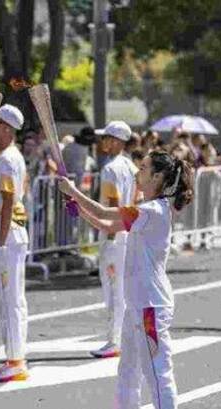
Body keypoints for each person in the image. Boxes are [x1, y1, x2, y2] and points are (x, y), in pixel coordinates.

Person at [58, 149, 194, 409]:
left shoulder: (154, 210)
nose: (137, 172)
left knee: (158, 372)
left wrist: (75, 191)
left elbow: (109, 216)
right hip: (137, 303)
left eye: (143, 168)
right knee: (128, 371)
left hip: (151, 306)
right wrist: (76, 204)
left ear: (158, 177)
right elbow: (109, 225)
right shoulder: (146, 211)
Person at [0, 104, 30, 382]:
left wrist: (0, 242)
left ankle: (15, 360)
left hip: (7, 233)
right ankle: (15, 357)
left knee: (9, 299)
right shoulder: (5, 157)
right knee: (9, 299)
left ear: (6, 128)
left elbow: (9, 200)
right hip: (6, 230)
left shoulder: (7, 160)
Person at [91, 120, 138, 359]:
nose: (103, 142)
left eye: (107, 138)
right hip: (127, 231)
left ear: (117, 141)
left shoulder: (110, 169)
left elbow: (112, 202)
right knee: (121, 288)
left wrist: (108, 234)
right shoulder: (131, 166)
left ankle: (114, 340)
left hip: (113, 233)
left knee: (113, 289)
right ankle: (119, 337)